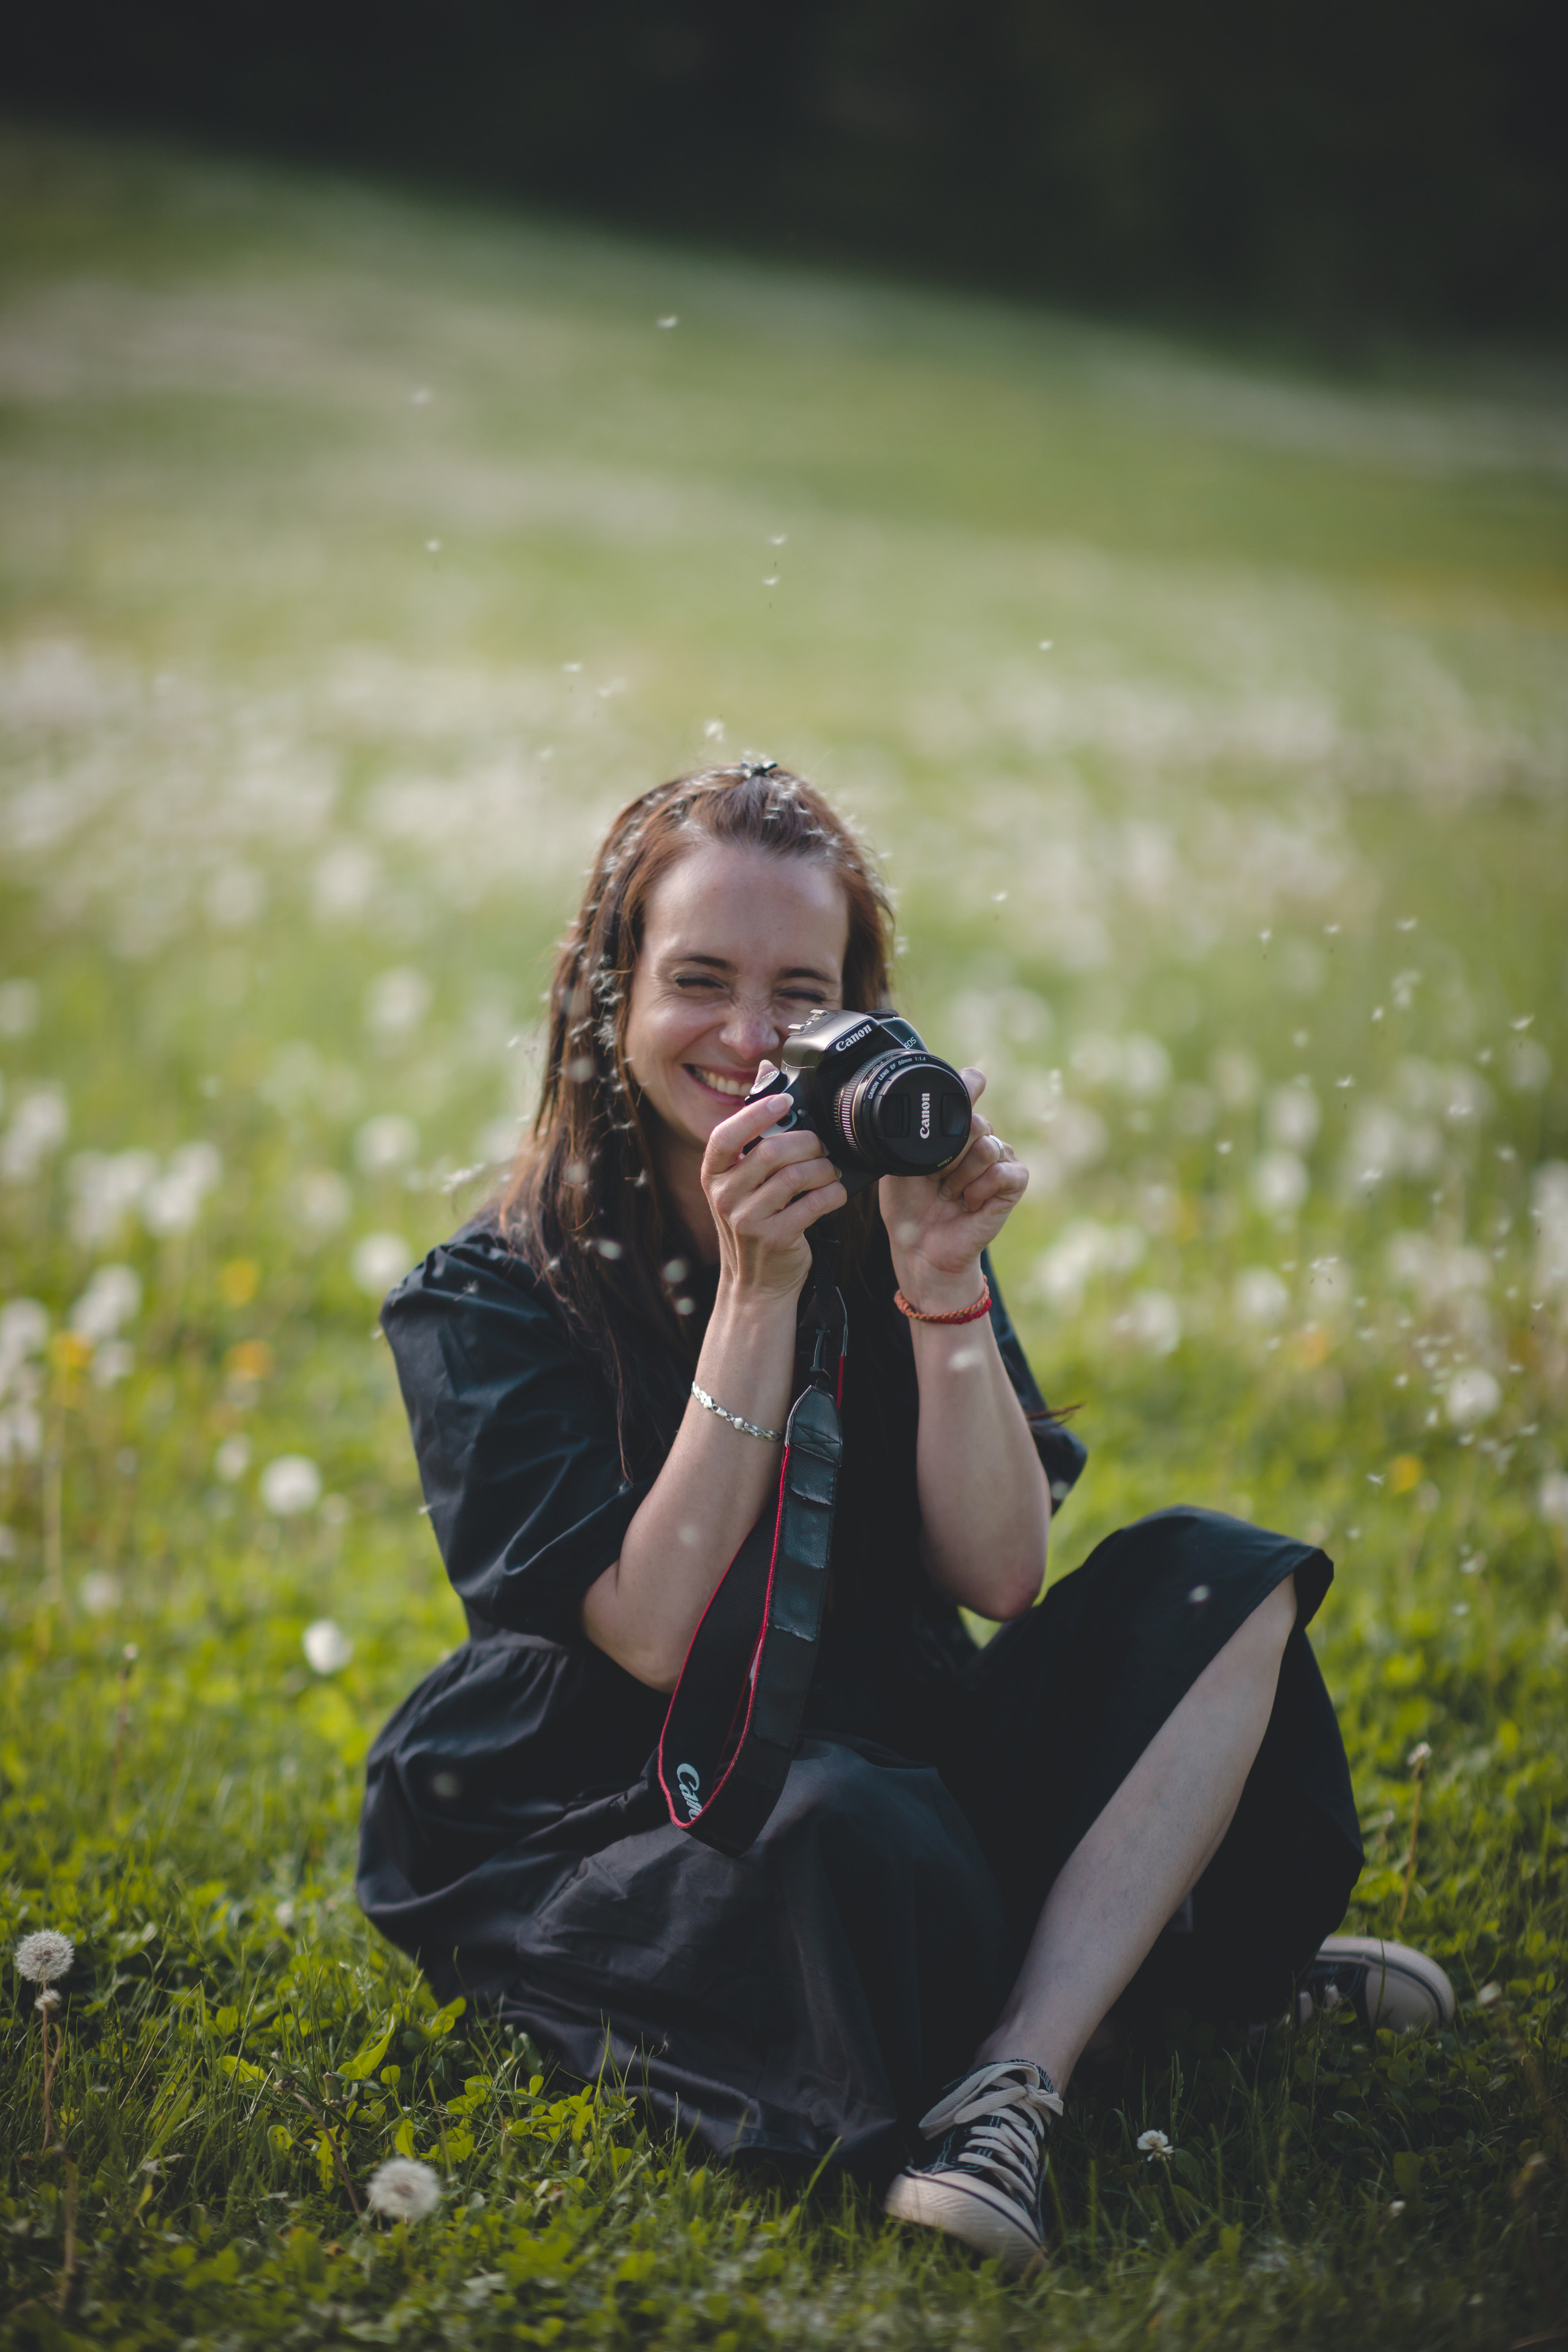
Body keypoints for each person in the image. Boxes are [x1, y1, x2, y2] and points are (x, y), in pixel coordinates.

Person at [358, 763, 1452, 2275]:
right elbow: (652, 1627)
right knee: (843, 1839)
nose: (749, 1038)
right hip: (644, 1792)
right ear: (605, 1004)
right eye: (697, 982)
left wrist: (939, 1290)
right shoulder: (492, 1295)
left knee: (1218, 1579)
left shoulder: (886, 1215)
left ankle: (1020, 2071)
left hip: (898, 1733)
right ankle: (1145, 1970)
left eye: (795, 992)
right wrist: (757, 1296)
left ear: (858, 1015)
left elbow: (999, 1575)